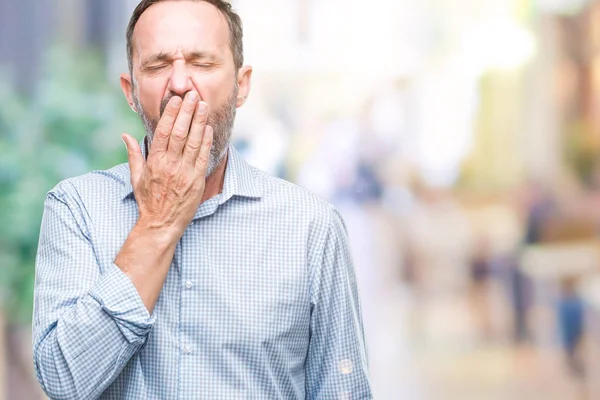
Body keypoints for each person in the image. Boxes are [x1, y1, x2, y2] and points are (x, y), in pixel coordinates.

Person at [31, 1, 372, 399]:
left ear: (241, 85)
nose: (179, 83)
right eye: (158, 65)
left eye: (202, 63)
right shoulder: (76, 209)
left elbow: (342, 390)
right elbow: (63, 381)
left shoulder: (311, 226)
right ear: (131, 91)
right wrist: (156, 224)